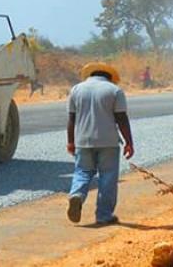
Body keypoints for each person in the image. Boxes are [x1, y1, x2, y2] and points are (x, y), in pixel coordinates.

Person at [67, 62, 134, 226]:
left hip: (82, 140)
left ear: (90, 75)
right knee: (108, 177)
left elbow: (71, 118)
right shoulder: (114, 90)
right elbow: (121, 118)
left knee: (82, 171)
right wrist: (129, 142)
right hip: (108, 141)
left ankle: (77, 195)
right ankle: (104, 215)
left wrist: (70, 141)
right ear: (110, 77)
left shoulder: (76, 89)